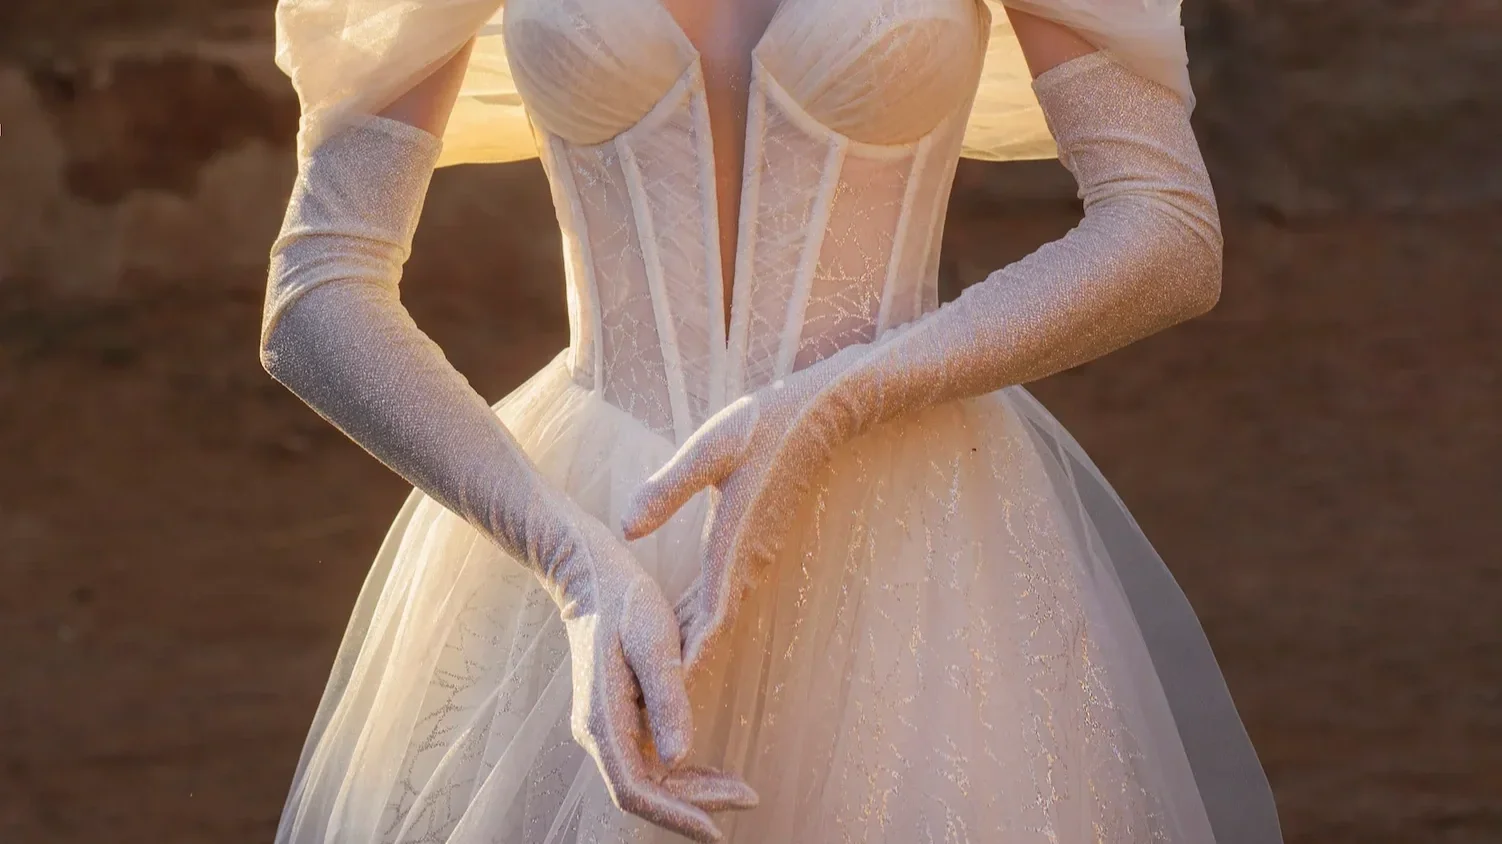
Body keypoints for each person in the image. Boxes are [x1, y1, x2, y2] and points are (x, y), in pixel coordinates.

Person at [262, 0, 1283, 841]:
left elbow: (1163, 228)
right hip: (587, 517)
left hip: (909, 530)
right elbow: (318, 291)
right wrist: (570, 563)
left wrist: (838, 396)